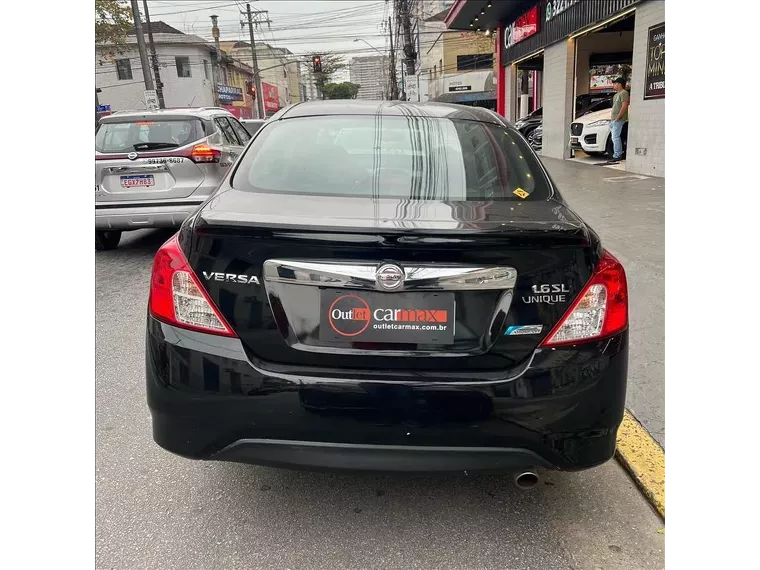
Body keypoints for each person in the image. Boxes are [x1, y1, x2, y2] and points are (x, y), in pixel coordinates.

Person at [608, 77, 630, 162]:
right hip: (613, 120)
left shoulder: (624, 93)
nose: (614, 85)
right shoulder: (616, 95)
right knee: (614, 138)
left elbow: (624, 105)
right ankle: (617, 153)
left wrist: (618, 117)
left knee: (615, 137)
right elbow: (615, 107)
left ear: (620, 84)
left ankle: (617, 155)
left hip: (619, 119)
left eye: (615, 83)